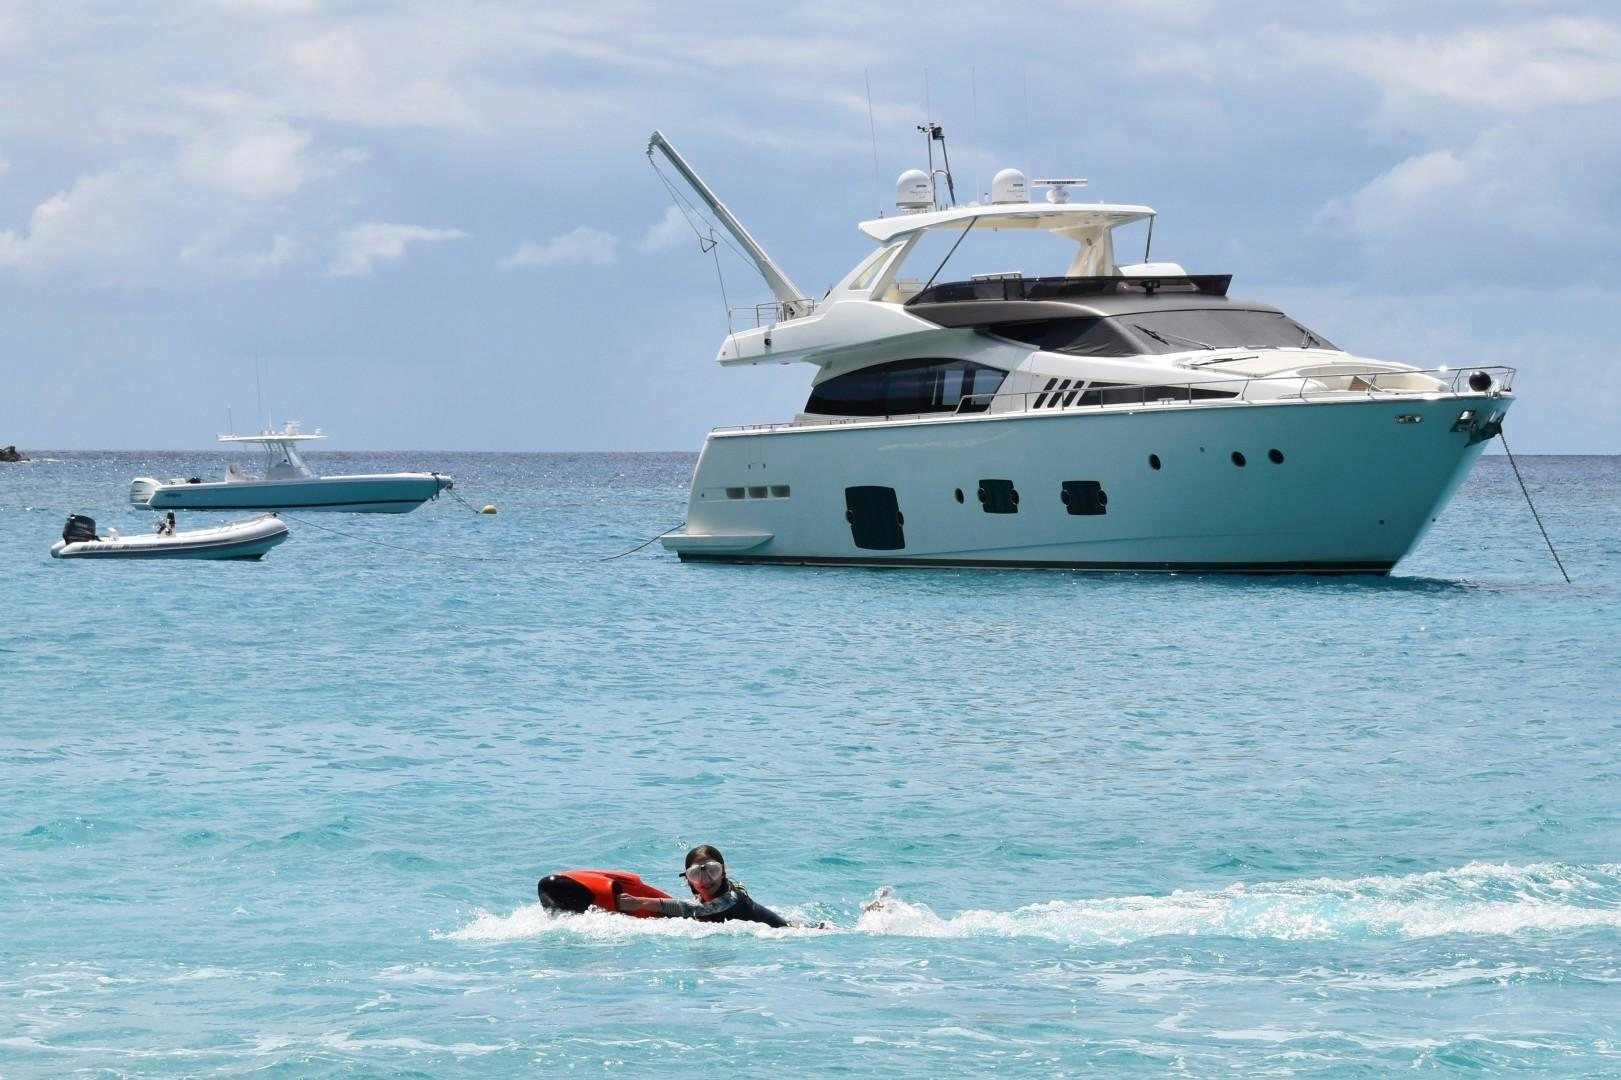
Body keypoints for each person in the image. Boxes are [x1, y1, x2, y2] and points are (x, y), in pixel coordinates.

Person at [615, 845, 790, 927]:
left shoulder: (730, 900)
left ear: (723, 872)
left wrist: (641, 902)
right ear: (687, 878)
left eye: (712, 870)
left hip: (790, 933)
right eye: (696, 873)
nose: (706, 880)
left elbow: (694, 911)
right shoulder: (705, 899)